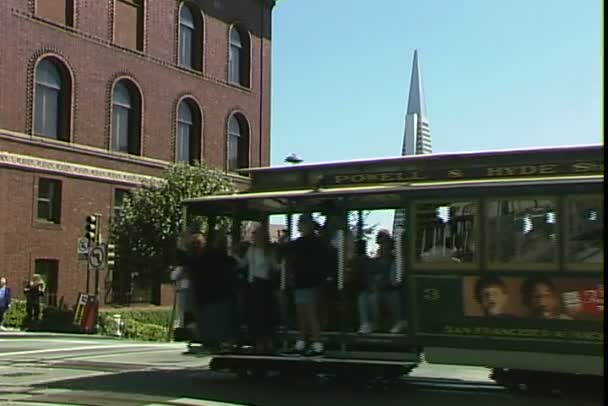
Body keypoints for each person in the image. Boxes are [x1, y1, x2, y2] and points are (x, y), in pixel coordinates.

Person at [284, 214, 332, 356]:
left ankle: (317, 344)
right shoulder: (305, 242)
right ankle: (302, 342)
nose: (299, 226)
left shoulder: (310, 243)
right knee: (302, 313)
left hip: (309, 282)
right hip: (302, 282)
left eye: (301, 223)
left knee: (310, 314)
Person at [233, 224, 280, 354]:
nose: (254, 237)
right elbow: (244, 264)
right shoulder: (251, 250)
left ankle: (268, 343)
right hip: (252, 285)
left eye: (257, 234)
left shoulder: (269, 251)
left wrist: (273, 272)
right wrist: (235, 256)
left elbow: (276, 267)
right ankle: (258, 343)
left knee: (266, 315)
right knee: (255, 316)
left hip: (264, 285)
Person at [191, 229, 238, 352]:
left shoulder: (205, 258)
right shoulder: (223, 258)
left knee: (213, 321)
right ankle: (221, 342)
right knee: (219, 320)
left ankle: (213, 342)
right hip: (219, 296)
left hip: (210, 297)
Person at [357, 230, 406, 334]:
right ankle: (366, 323)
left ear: (390, 245)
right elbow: (368, 277)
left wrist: (381, 283)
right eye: (380, 243)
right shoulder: (374, 261)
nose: (382, 246)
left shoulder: (395, 261)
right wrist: (372, 284)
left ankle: (393, 322)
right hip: (375, 290)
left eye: (385, 243)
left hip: (389, 292)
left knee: (386, 295)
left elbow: (395, 281)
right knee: (363, 296)